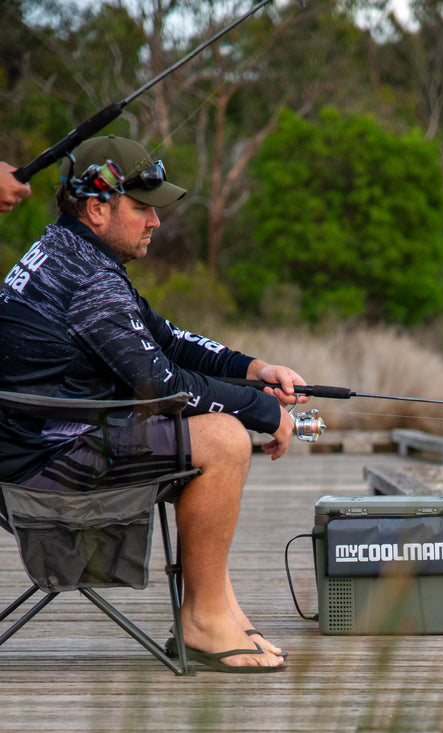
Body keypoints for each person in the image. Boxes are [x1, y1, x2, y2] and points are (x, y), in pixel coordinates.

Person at [0, 135, 306, 672]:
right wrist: (263, 412)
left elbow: (162, 337)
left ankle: (219, 609)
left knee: (216, 430)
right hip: (45, 467)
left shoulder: (66, 251)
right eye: (141, 208)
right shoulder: (89, 279)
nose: (155, 223)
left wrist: (256, 371)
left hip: (39, 444)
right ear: (97, 208)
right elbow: (163, 385)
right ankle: (204, 623)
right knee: (223, 439)